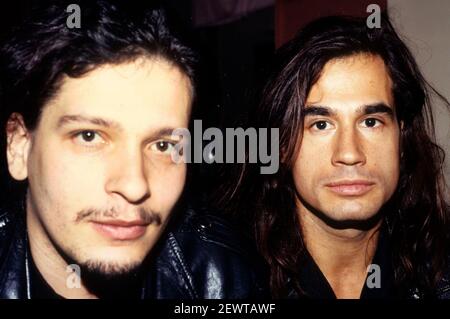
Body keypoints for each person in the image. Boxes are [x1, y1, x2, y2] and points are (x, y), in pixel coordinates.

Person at [0, 0, 268, 299]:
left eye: (163, 145)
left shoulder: (223, 278)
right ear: (19, 146)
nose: (134, 185)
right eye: (89, 136)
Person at [220, 15, 450, 299]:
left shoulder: (439, 268)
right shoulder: (222, 275)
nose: (350, 154)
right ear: (281, 145)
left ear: (401, 138)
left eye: (370, 122)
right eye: (320, 125)